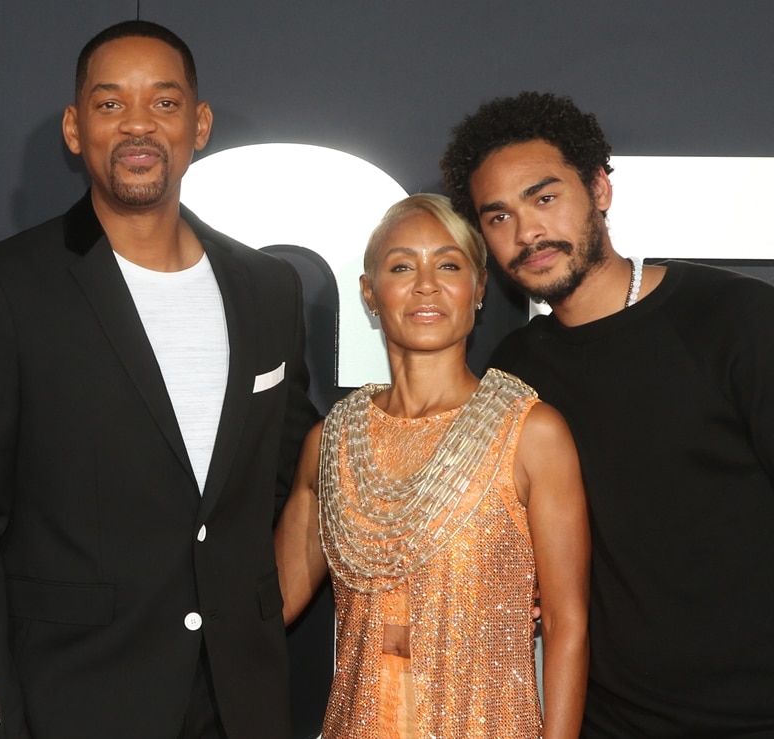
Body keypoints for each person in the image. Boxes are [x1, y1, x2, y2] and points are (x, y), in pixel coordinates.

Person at [0, 19, 316, 739]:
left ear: (198, 125)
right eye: (110, 104)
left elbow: (289, 477)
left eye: (164, 103)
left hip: (240, 706)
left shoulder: (268, 289)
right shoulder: (2, 288)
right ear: (75, 129)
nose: (139, 124)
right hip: (70, 704)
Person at [440, 91, 774, 736]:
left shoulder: (733, 321)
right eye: (499, 216)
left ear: (599, 188)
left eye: (544, 198)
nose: (528, 233)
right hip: (609, 721)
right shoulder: (515, 371)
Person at [276, 193, 589, 738]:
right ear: (370, 293)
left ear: (480, 289)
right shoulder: (331, 442)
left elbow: (568, 626)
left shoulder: (532, 432)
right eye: (402, 266)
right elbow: (267, 607)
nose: (426, 284)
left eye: (448, 264)